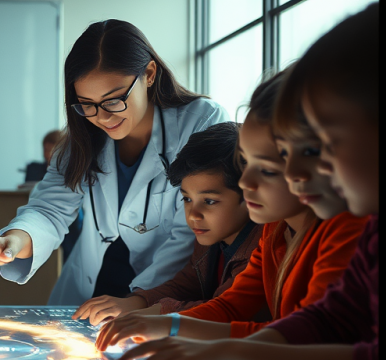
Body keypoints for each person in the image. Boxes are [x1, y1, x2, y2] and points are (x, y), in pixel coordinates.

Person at [110, 3, 378, 360]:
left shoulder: (347, 225)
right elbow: (322, 321)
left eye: (326, 144)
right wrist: (187, 334)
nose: (310, 169)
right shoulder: (284, 229)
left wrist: (222, 351)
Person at [0, 19, 229, 305]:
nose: (102, 117)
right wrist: (13, 243)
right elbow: (49, 209)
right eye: (87, 104)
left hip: (165, 288)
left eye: (114, 100)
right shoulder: (81, 136)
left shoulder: (201, 121)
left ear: (149, 74)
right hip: (94, 287)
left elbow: (190, 232)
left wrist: (141, 300)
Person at [96, 66, 366, 348]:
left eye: (269, 167)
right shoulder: (274, 230)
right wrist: (166, 323)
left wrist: (202, 344)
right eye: (247, 163)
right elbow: (229, 306)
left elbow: (310, 338)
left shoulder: (344, 227)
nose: (245, 181)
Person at [75, 121, 263, 325]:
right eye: (187, 199)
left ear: (249, 195)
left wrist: (154, 313)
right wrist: (137, 302)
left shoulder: (260, 246)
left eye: (209, 201)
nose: (193, 215)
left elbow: (226, 310)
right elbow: (186, 283)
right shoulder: (211, 236)